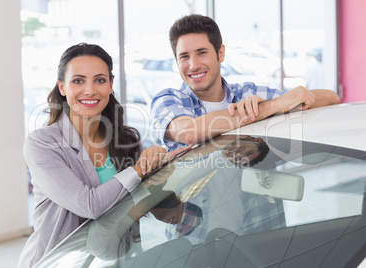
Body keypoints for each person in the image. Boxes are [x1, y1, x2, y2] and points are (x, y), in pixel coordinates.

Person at [18, 43, 187, 268]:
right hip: (60, 262)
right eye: (78, 80)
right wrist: (139, 170)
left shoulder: (126, 140)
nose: (90, 90)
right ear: (62, 87)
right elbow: (89, 205)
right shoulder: (43, 143)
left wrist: (161, 169)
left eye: (99, 80)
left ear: (110, 85)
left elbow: (155, 210)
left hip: (119, 259)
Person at [151, 14, 341, 151]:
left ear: (220, 53)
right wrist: (266, 109)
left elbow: (331, 97)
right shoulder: (168, 99)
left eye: (202, 53)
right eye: (184, 56)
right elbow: (189, 133)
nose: (193, 65)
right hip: (195, 207)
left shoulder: (246, 93)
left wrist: (295, 96)